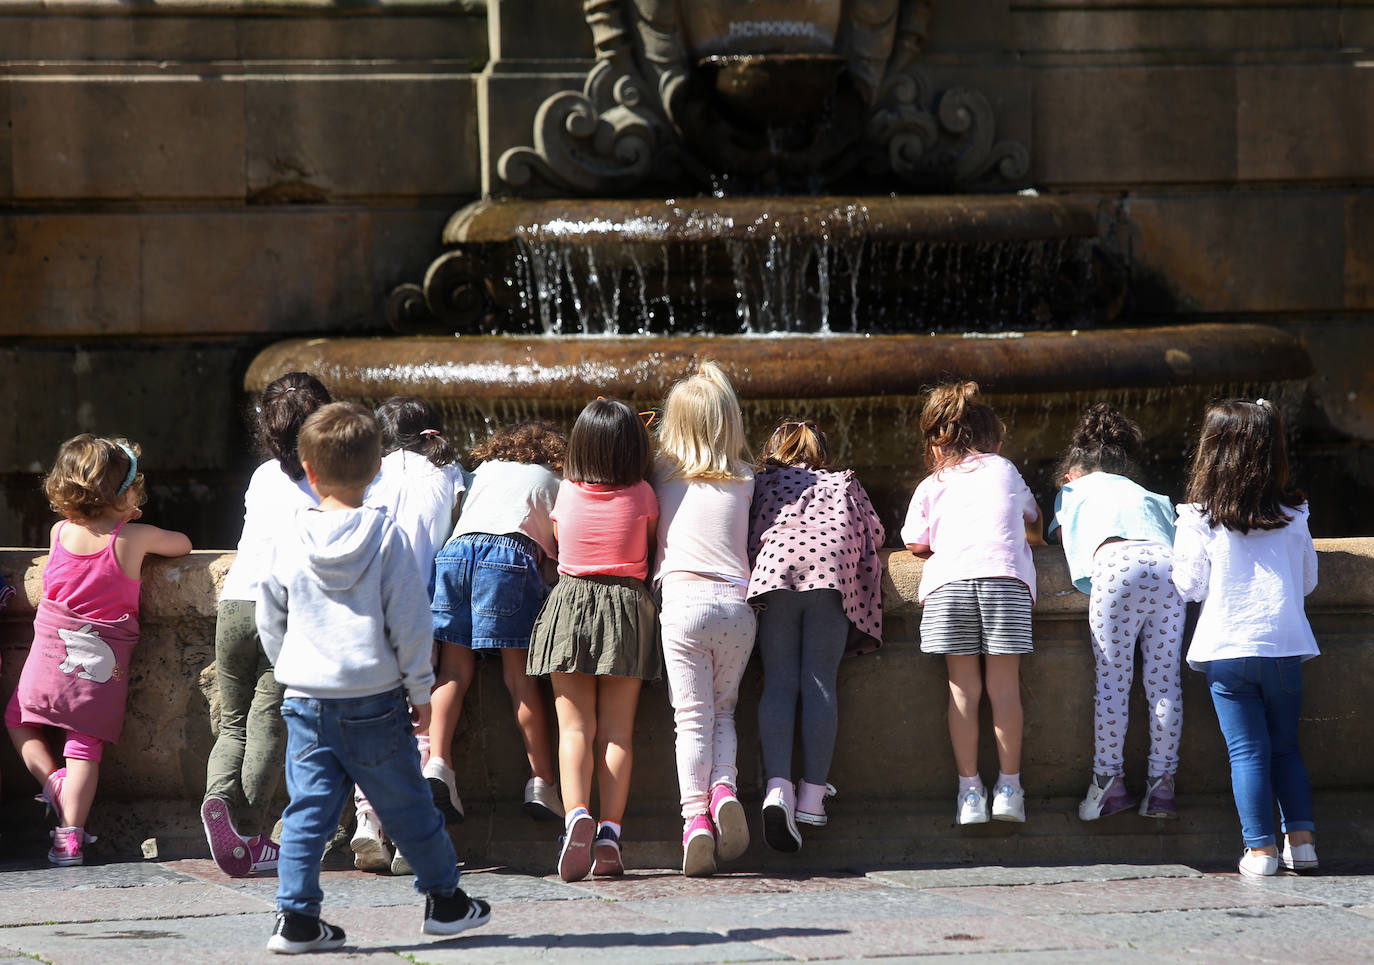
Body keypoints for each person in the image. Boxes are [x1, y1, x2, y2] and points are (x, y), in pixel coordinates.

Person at [256, 402, 490, 952]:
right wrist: (418, 689)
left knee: (308, 810)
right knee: (408, 802)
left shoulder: (288, 537)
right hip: (374, 698)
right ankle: (446, 902)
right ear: (376, 470)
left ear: (309, 471)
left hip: (308, 698)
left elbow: (270, 613)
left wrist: (288, 666)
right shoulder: (387, 539)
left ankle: (295, 920)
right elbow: (411, 622)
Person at [7, 434, 191, 865]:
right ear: (125, 493)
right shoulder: (135, 538)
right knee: (84, 747)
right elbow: (181, 544)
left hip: (49, 660)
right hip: (97, 674)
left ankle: (52, 781)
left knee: (17, 719)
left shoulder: (59, 532)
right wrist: (135, 521)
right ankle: (68, 837)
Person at [1172, 398, 1320, 877]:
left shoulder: (1198, 517)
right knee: (1286, 748)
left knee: (1248, 752)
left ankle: (1261, 852)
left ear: (1212, 453)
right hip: (1283, 645)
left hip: (1227, 647)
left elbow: (1188, 585)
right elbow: (1308, 581)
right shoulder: (1294, 514)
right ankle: (1303, 843)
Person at [202, 371, 329, 877]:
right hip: (286, 607)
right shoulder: (329, 479)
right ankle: (250, 834)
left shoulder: (260, 477)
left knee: (230, 722)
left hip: (235, 600)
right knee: (269, 720)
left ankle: (217, 802)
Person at [526, 398, 658, 882]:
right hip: (626, 607)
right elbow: (648, 543)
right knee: (617, 732)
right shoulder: (644, 494)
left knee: (575, 729)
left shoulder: (566, 494)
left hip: (572, 605)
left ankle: (575, 814)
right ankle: (610, 832)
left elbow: (559, 542)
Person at [900, 381, 1041, 826]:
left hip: (950, 585)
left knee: (962, 692)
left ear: (938, 445)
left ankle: (970, 794)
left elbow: (913, 542)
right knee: (1005, 690)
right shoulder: (1005, 469)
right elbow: (1033, 521)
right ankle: (1010, 789)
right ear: (995, 441)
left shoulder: (932, 482)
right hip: (1005, 581)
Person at [747, 419, 886, 852]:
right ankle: (812, 797)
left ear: (774, 450)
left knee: (779, 682)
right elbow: (877, 534)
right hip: (830, 575)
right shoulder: (844, 481)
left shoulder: (764, 481)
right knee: (819, 681)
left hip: (775, 572)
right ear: (820, 453)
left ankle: (777, 790)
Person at [1049, 402, 1184, 822]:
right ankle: (1162, 788)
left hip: (1117, 565)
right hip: (1167, 568)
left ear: (1075, 469)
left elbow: (1053, 537)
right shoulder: (1149, 494)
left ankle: (1108, 783)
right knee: (1164, 684)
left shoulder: (1072, 489)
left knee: (1113, 682)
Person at [351, 396, 467, 874]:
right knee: (418, 718)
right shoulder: (450, 472)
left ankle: (366, 819)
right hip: (421, 610)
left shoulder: (367, 471)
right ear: (431, 434)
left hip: (364, 607)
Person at [429, 421, 565, 826]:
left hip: (455, 553)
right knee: (519, 678)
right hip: (507, 555)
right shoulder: (554, 478)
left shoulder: (485, 470)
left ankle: (438, 763)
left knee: (452, 670)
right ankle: (542, 782)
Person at [650, 361, 756, 877]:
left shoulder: (660, 477)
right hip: (736, 607)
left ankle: (695, 820)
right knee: (724, 712)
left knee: (689, 719)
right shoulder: (745, 479)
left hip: (684, 606)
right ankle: (724, 790)